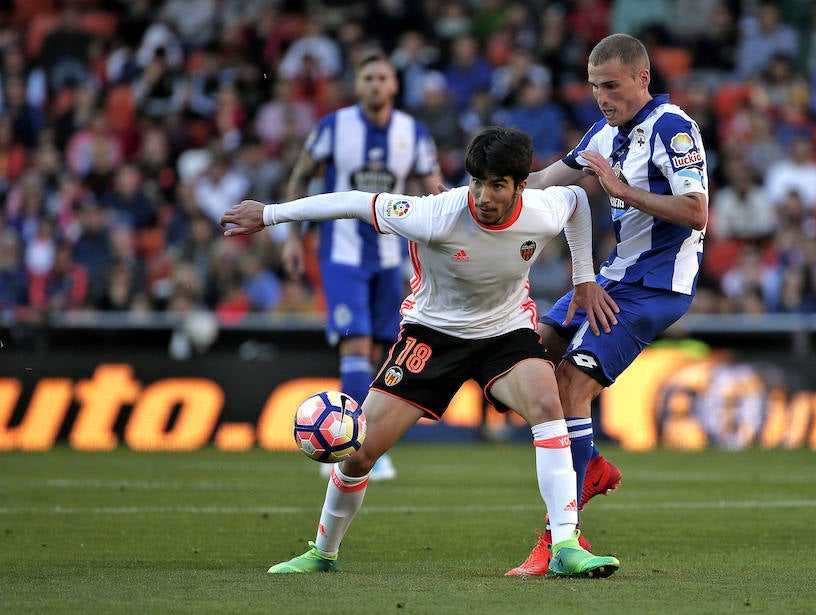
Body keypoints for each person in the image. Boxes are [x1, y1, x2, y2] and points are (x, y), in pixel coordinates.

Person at [220, 126, 620, 578]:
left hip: (505, 333)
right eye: (476, 182)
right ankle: (322, 553)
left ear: (520, 186)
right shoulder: (435, 214)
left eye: (497, 185)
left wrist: (584, 277)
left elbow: (579, 203)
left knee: (549, 405)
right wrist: (269, 215)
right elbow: (353, 201)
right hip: (432, 337)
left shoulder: (541, 209)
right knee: (358, 452)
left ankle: (565, 544)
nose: (484, 196)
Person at [506, 32, 709, 576]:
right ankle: (587, 464)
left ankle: (559, 538)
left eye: (612, 86)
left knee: (571, 386)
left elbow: (696, 212)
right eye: (595, 86)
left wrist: (621, 189)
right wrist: (483, 190)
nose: (601, 96)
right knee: (526, 357)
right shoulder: (606, 130)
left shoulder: (673, 128)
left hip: (657, 287)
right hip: (612, 277)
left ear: (643, 78)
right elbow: (548, 180)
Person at [281, 50, 444, 481]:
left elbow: (435, 192)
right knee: (354, 345)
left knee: (378, 350)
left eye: (382, 77)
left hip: (393, 258)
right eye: (368, 77)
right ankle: (361, 447)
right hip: (342, 255)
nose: (375, 84)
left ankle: (358, 439)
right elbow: (301, 177)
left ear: (394, 85)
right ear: (358, 84)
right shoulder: (335, 126)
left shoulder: (413, 132)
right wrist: (293, 238)